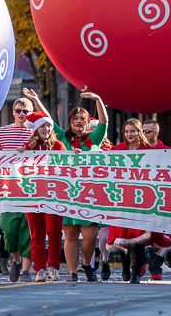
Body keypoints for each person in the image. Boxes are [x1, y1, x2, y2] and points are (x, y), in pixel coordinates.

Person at [23, 87, 109, 282]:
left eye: (82, 119)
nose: (79, 121)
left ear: (87, 123)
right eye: (75, 118)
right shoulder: (63, 137)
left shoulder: (95, 137)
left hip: (89, 192)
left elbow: (104, 121)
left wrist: (97, 98)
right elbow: (48, 121)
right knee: (69, 235)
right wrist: (37, 99)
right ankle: (72, 273)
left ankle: (86, 263)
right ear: (71, 121)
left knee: (90, 236)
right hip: (67, 193)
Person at [17, 111, 66, 282]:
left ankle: (53, 267)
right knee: (36, 233)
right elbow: (18, 167)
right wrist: (20, 154)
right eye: (42, 126)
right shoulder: (28, 146)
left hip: (54, 195)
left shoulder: (58, 146)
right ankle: (39, 269)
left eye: (48, 126)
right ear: (36, 129)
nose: (45, 129)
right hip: (33, 195)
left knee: (54, 232)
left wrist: (73, 156)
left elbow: (67, 166)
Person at [0, 97, 36, 279]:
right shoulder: (1, 132)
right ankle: (15, 259)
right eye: (18, 111)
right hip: (8, 187)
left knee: (28, 229)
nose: (22, 114)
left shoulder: (36, 133)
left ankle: (25, 269)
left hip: (31, 186)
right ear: (13, 112)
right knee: (8, 229)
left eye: (25, 111)